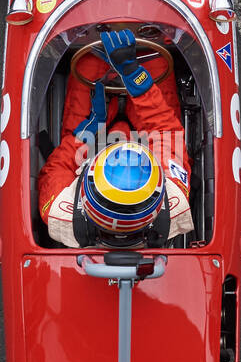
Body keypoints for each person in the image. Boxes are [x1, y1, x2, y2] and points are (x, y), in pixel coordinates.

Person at [38, 29, 194, 248]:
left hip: (90, 136)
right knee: (153, 54)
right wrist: (134, 75)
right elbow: (165, 130)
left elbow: (55, 170)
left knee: (88, 57)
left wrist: (86, 135)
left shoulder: (58, 212)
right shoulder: (175, 202)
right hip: (141, 130)